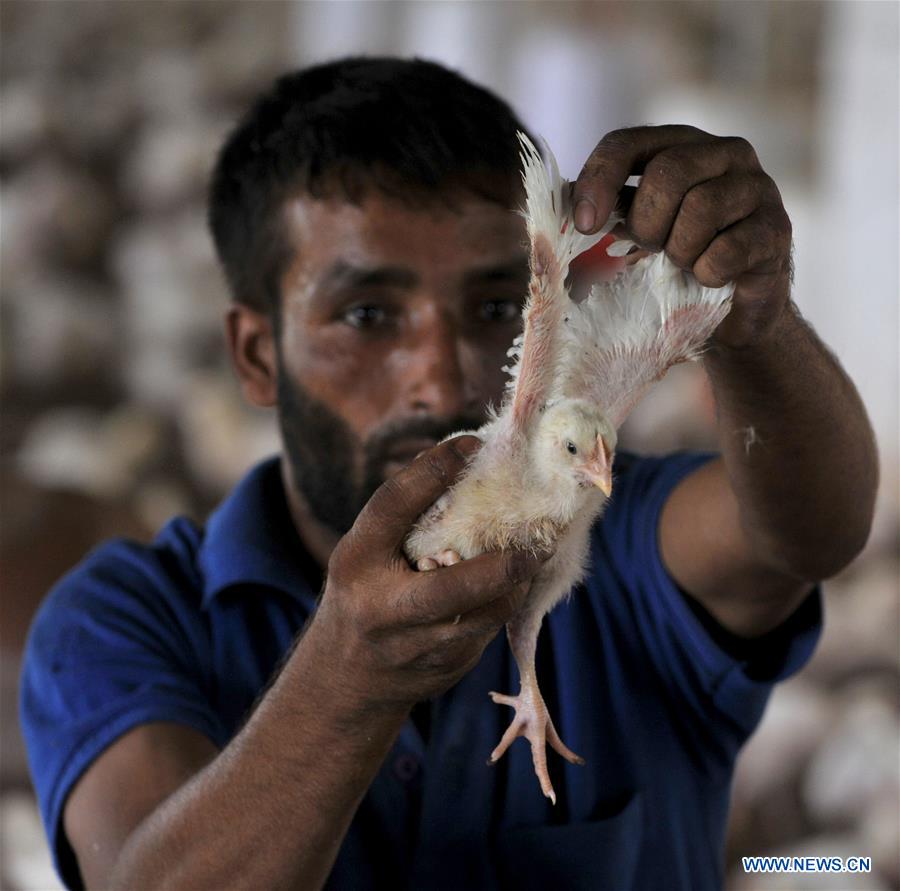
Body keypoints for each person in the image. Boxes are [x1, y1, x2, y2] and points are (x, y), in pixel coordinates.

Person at [20, 57, 878, 891]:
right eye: (368, 314)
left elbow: (811, 532)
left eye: (496, 308)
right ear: (256, 355)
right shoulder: (118, 623)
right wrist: (349, 674)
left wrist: (755, 322)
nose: (438, 374)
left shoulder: (619, 527)